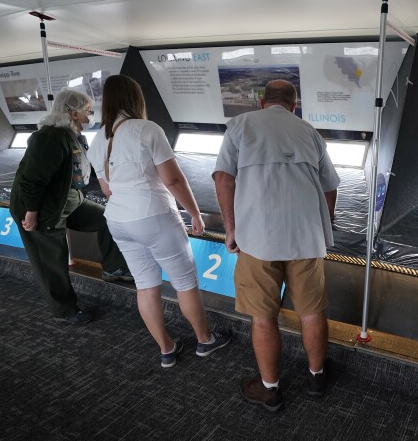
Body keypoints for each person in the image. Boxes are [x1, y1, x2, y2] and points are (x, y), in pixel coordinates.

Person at [213, 79, 340, 412]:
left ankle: (269, 389)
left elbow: (223, 177)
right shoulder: (310, 132)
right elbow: (330, 187)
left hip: (257, 239)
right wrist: (322, 225)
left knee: (263, 316)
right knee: (311, 312)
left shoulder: (239, 126)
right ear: (294, 105)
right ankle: (316, 377)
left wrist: (231, 230)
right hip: (306, 239)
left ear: (261, 101)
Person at [88, 74, 231, 368]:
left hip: (118, 220)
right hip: (153, 215)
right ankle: (205, 340)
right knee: (184, 282)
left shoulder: (98, 138)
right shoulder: (146, 129)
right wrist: (193, 212)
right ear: (134, 99)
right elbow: (174, 179)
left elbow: (106, 189)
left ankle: (166, 349)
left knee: (146, 285)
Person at [10, 89, 133, 325]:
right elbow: (32, 180)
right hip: (42, 209)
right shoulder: (49, 137)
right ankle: (64, 310)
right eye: (87, 111)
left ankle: (114, 268)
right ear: (72, 112)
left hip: (68, 200)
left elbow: (82, 171)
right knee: (52, 260)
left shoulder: (74, 136)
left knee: (107, 219)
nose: (91, 115)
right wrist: (32, 212)